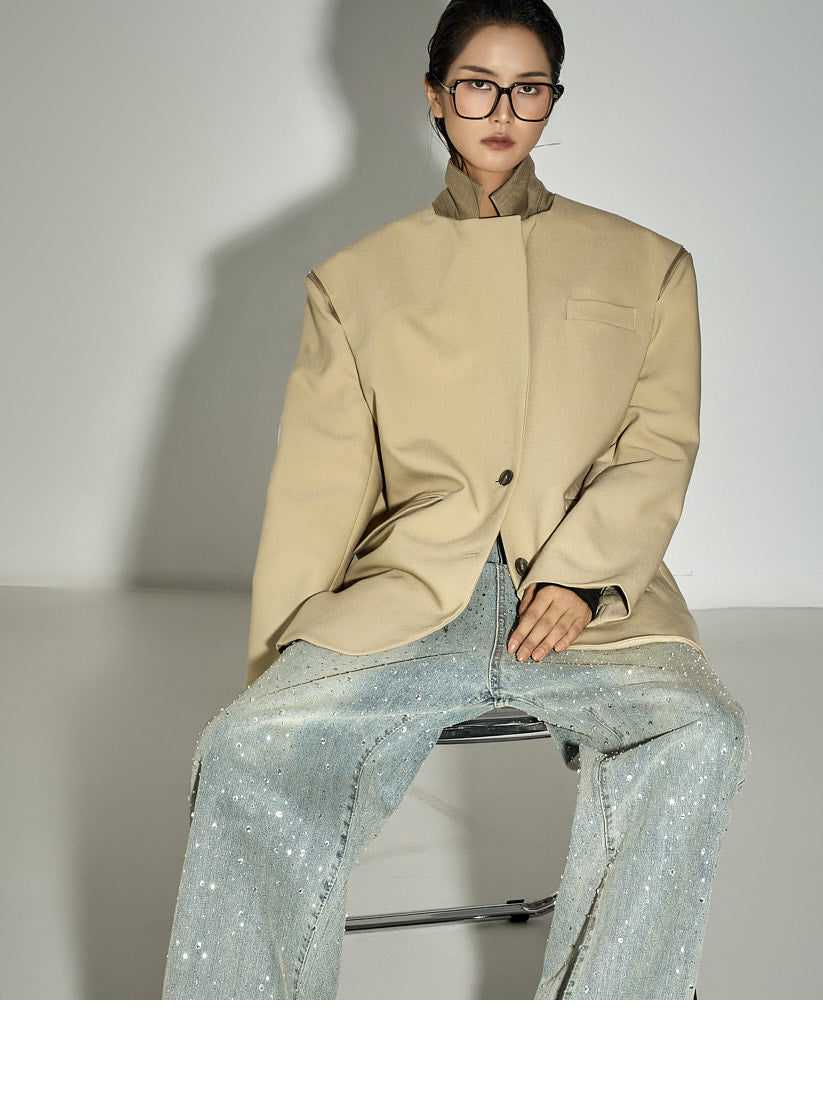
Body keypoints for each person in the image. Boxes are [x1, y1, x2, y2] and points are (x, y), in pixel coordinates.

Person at [162, 0, 751, 1000]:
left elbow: (658, 447)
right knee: (244, 745)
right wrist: (277, 668)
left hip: (585, 607)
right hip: (411, 600)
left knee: (702, 729)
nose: (503, 111)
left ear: (553, 99)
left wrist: (582, 578)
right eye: (478, 85)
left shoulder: (649, 265)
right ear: (435, 95)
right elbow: (318, 487)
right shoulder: (355, 281)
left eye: (529, 88)